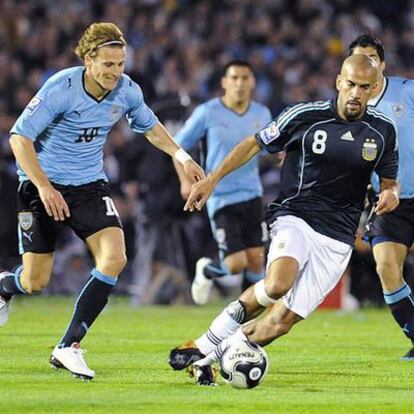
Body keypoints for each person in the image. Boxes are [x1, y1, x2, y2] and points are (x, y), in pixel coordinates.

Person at [168, 54, 400, 385]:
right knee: (278, 283)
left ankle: (211, 357)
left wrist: (390, 194)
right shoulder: (305, 116)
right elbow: (253, 144)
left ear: (374, 89)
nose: (355, 93)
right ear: (338, 82)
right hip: (296, 216)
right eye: (350, 84)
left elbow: (389, 182)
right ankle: (202, 345)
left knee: (282, 322)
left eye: (364, 87)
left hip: (338, 238)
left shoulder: (382, 131)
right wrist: (212, 179)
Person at [0, 22, 204, 380]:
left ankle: (68, 347)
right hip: (40, 186)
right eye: (108, 65)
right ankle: (5, 286)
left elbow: (151, 126)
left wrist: (182, 157)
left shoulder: (126, 91)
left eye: (121, 64)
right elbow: (19, 138)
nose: (116, 73)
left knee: (115, 258)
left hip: (89, 187)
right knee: (35, 282)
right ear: (89, 60)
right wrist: (45, 187)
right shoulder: (61, 88)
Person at [173, 60, 272, 305]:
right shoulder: (207, 112)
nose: (239, 83)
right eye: (234, 78)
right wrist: (185, 181)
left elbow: (269, 148)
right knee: (236, 264)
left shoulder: (262, 113)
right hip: (220, 196)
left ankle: (245, 319)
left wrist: (279, 156)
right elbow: (177, 146)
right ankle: (207, 270)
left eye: (244, 78)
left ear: (252, 82)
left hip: (252, 193)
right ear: (224, 82)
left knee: (256, 261)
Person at [349, 33, 414, 359]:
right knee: (387, 267)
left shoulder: (407, 91)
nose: (366, 65)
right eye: (359, 58)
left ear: (382, 64)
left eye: (371, 59)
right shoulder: (348, 109)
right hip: (388, 201)